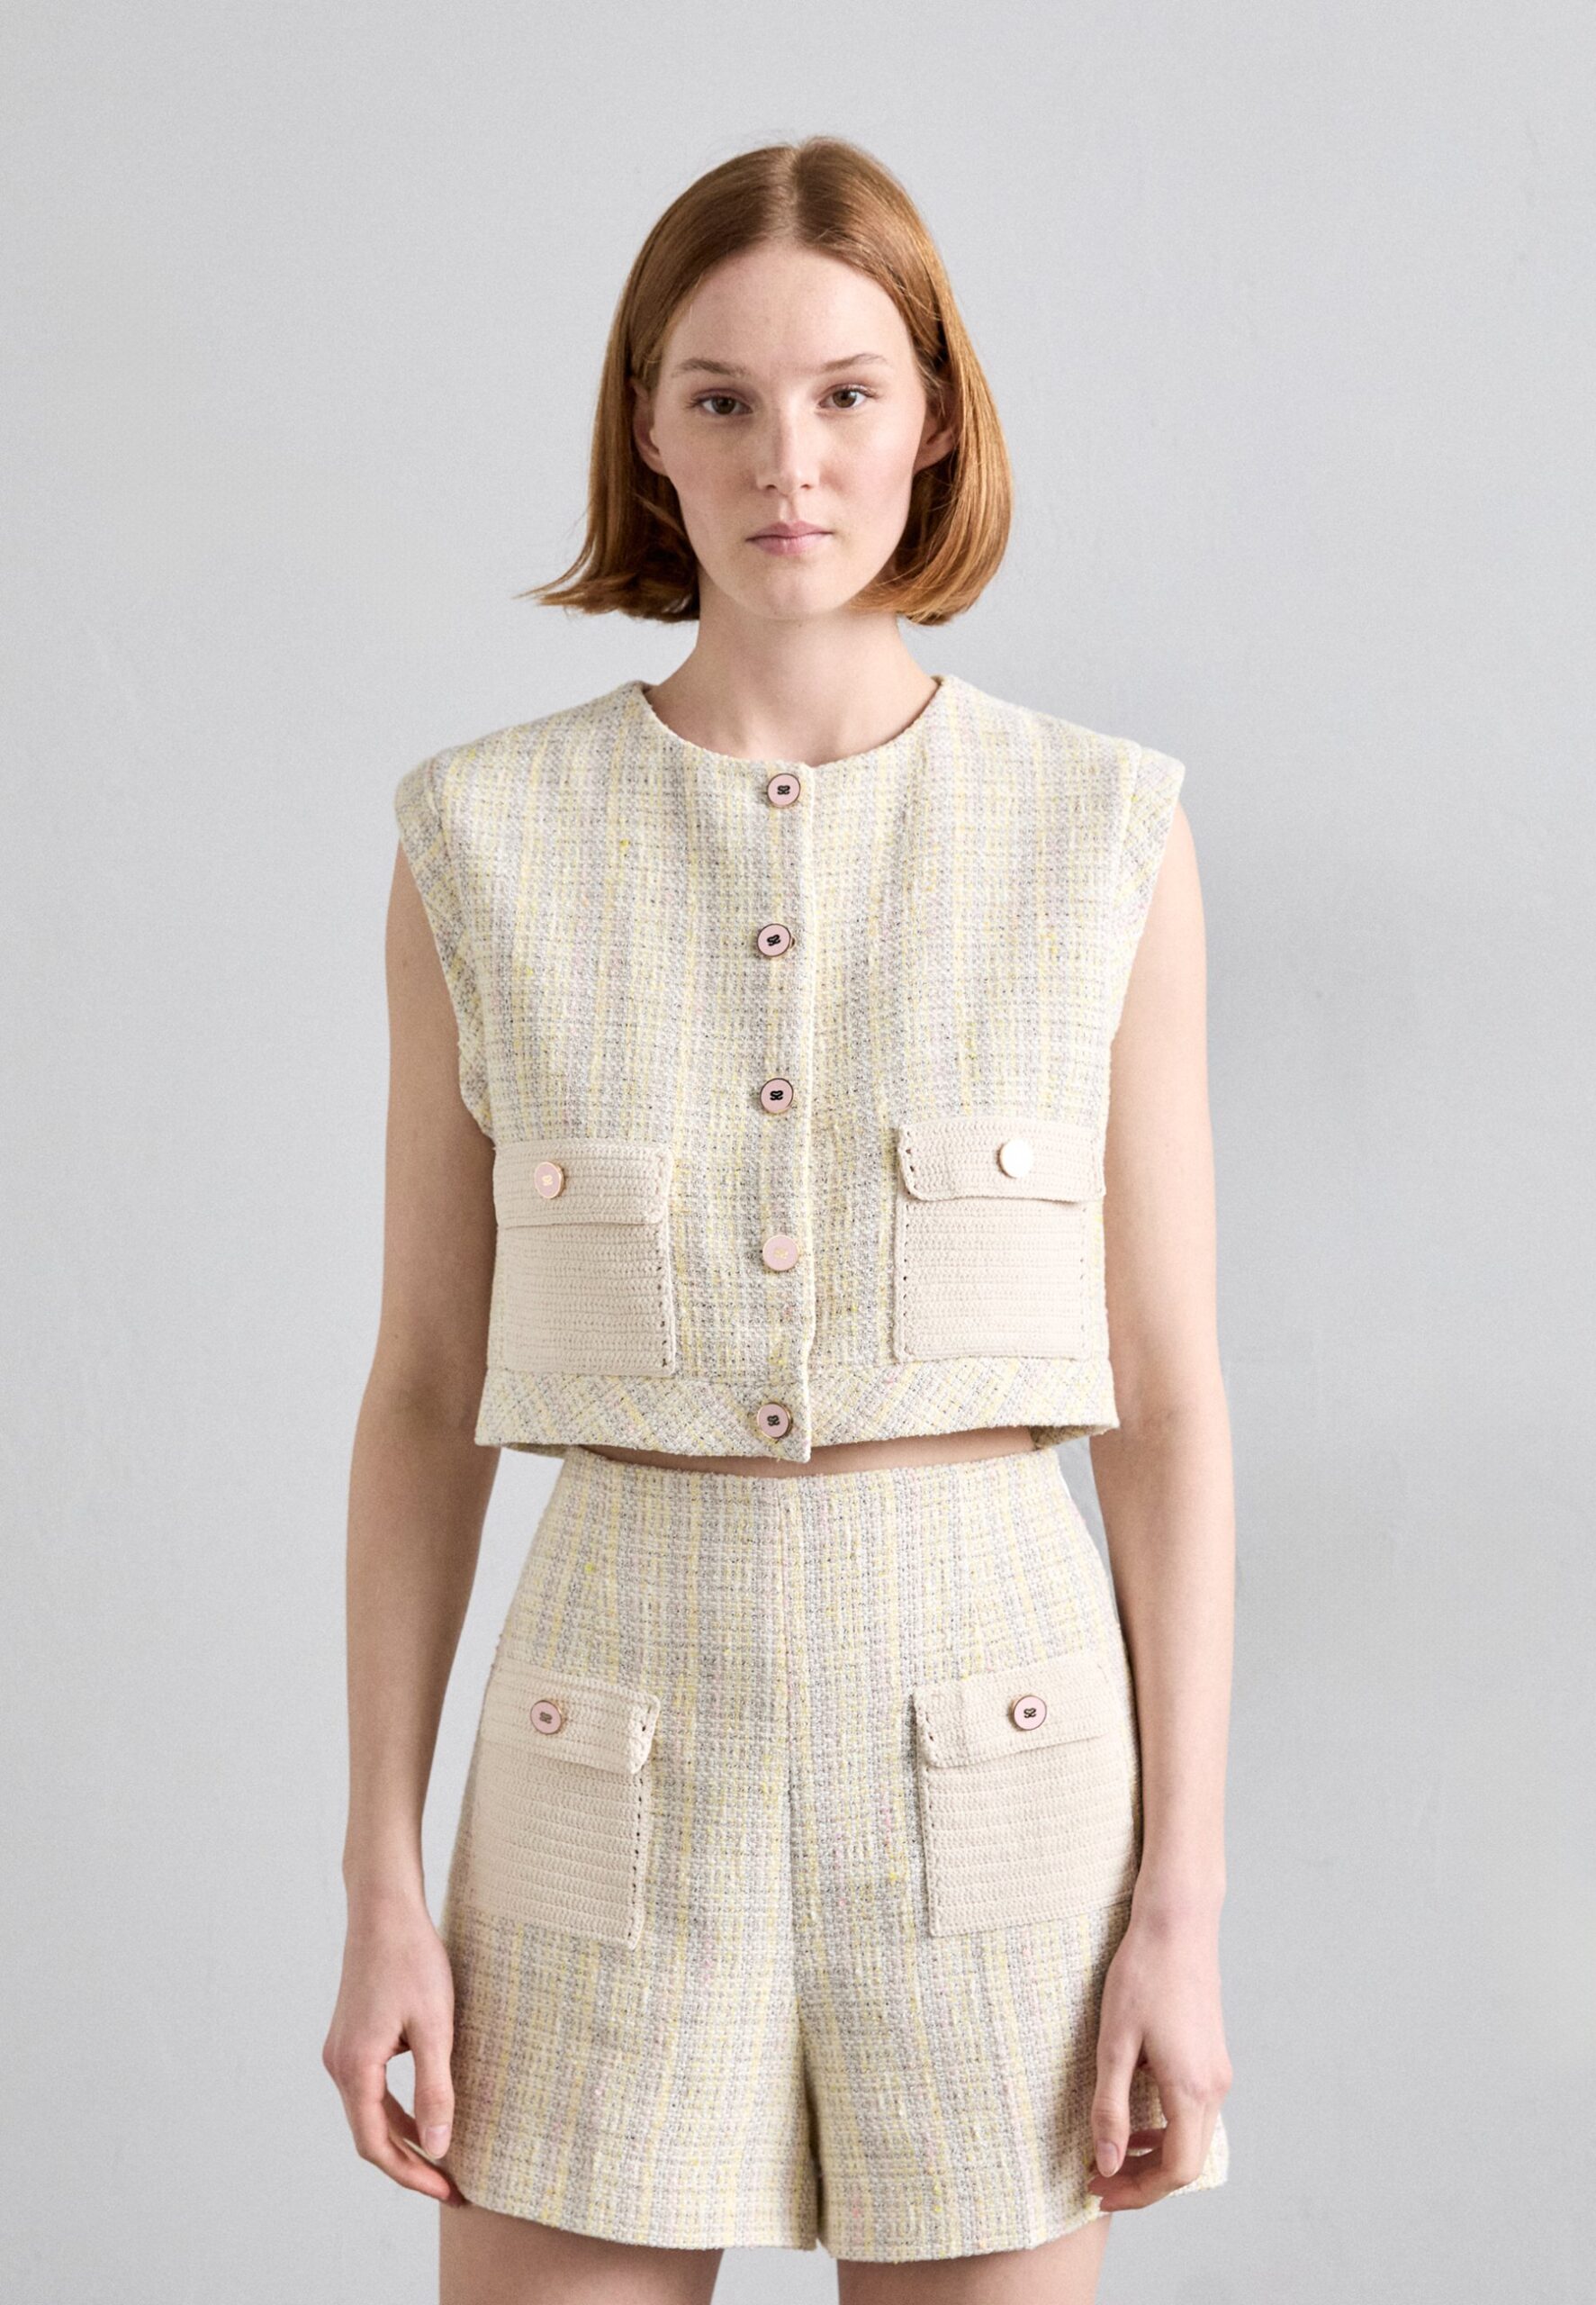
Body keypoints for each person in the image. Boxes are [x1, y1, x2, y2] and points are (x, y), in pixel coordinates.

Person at [322, 135, 1234, 2305]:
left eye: (843, 392)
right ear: (645, 427)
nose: (784, 459)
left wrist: (1179, 1908)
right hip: (604, 1737)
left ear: (932, 418)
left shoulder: (1101, 832)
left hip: (998, 1752)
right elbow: (425, 1389)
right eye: (718, 396)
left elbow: (1172, 1401)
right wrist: (379, 1881)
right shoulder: (481, 834)